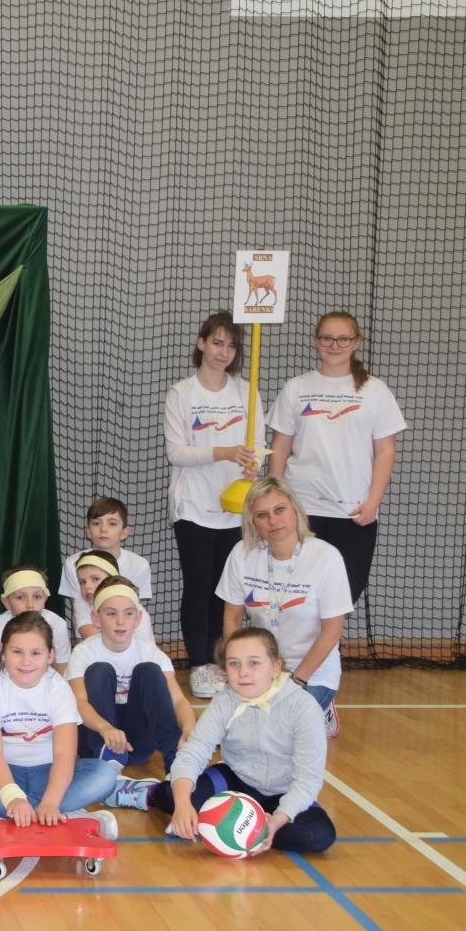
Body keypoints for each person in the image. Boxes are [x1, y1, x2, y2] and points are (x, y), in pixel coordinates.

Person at [150, 627, 335, 853]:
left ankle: (241, 831)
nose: (243, 672)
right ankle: (146, 793)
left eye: (254, 663)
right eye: (234, 664)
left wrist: (276, 821)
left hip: (284, 792)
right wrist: (182, 805)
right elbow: (193, 752)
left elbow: (308, 780)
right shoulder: (224, 702)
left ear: (275, 667)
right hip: (236, 781)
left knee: (318, 835)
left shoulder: (303, 707)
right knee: (173, 795)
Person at [269, 311, 407, 604]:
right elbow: (279, 448)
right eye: (327, 338)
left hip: (353, 512)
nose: (335, 345)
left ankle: (329, 652)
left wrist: (372, 503)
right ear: (316, 342)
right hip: (302, 509)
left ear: (356, 342)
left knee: (343, 595)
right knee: (297, 594)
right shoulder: (296, 387)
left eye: (343, 338)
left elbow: (385, 450)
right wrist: (278, 503)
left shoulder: (375, 390)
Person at [0, 612, 118, 840]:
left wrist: (50, 800)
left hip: (51, 773)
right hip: (4, 772)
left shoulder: (59, 689)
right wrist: (13, 796)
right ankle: (55, 813)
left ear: (50, 656)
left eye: (36, 653)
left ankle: (11, 811)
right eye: (17, 652)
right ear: (2, 652)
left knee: (104, 774)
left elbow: (65, 755)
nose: (26, 662)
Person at [166, 311, 263, 699]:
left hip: (237, 509)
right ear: (201, 343)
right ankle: (198, 665)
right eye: (217, 342)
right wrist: (225, 451)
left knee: (229, 592)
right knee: (200, 586)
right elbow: (177, 452)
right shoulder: (182, 393)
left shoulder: (246, 393)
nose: (224, 351)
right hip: (194, 507)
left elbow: (257, 448)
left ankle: (226, 662)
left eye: (232, 345)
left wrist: (255, 463)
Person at [217, 476, 353, 738]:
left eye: (280, 510)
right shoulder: (241, 555)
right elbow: (232, 620)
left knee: (279, 733)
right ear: (252, 522)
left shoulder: (327, 558)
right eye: (262, 514)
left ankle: (322, 710)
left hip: (312, 673)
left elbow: (332, 632)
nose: (273, 520)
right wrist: (239, 668)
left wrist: (296, 682)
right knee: (234, 732)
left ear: (295, 510)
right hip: (261, 669)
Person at [66, 576, 195, 810]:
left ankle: (176, 765)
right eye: (111, 613)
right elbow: (78, 703)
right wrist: (105, 728)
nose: (120, 621)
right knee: (99, 670)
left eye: (127, 613)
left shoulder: (151, 652)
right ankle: (106, 764)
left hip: (137, 743)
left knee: (149, 671)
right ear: (96, 618)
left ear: (138, 618)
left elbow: (178, 701)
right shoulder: (84, 652)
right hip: (97, 738)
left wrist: (189, 731)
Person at [57, 498, 151, 638]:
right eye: (96, 523)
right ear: (88, 532)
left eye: (112, 523)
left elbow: (132, 610)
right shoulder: (72, 563)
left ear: (124, 532)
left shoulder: (139, 565)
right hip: (90, 637)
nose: (103, 529)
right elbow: (79, 611)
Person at [0, 565, 72, 688]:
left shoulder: (57, 624)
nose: (30, 605)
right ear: (7, 602)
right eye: (20, 597)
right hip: (6, 690)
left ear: (45, 599)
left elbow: (62, 674)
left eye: (37, 597)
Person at [67, 550, 157, 644]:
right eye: (82, 582)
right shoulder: (81, 603)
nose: (87, 586)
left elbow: (146, 651)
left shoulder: (134, 611)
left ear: (112, 579)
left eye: (95, 579)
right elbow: (90, 638)